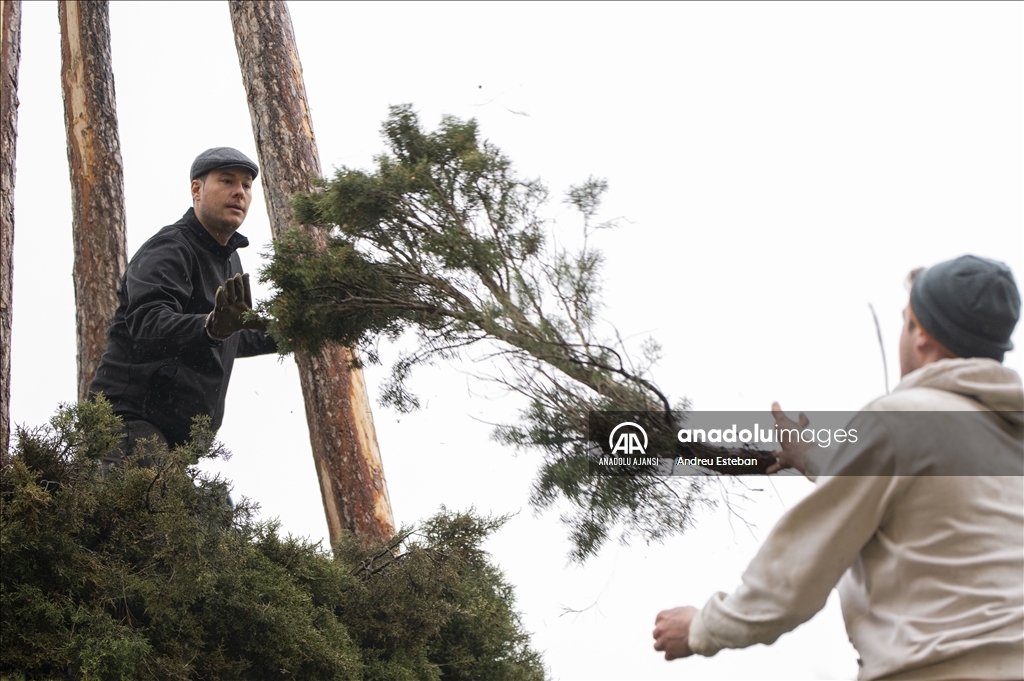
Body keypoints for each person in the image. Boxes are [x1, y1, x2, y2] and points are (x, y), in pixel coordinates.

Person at [653, 255, 1023, 680]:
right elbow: (924, 489)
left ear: (920, 335)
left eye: (906, 320)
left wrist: (701, 628)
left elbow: (792, 582)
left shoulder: (900, 421)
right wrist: (809, 457)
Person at [89, 147, 277, 466]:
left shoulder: (229, 258)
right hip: (130, 428)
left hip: (173, 445)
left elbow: (226, 336)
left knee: (203, 514)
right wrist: (211, 326)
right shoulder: (171, 248)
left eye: (246, 186)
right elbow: (147, 322)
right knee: (138, 517)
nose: (239, 192)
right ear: (196, 189)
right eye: (227, 181)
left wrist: (288, 330)